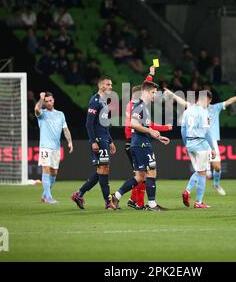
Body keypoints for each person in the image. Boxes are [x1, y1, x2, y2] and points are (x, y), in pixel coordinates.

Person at [165, 88, 236, 195]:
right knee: (202, 171)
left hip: (211, 140)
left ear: (210, 100)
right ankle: (191, 193)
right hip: (199, 141)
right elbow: (182, 102)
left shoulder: (215, 108)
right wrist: (172, 94)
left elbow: (229, 101)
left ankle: (216, 184)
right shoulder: (194, 108)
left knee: (217, 167)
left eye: (206, 99)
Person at [109, 81, 170, 211]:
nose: (155, 95)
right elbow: (133, 124)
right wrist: (151, 131)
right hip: (141, 145)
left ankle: (116, 196)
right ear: (146, 92)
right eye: (153, 92)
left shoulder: (143, 107)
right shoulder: (140, 106)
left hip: (138, 144)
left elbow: (145, 127)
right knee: (151, 172)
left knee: (140, 176)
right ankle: (152, 204)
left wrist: (158, 137)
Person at [125, 66, 172, 210]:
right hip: (134, 140)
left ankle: (135, 201)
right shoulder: (135, 105)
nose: (152, 95)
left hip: (136, 139)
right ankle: (131, 199)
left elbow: (146, 86)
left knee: (141, 174)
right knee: (142, 175)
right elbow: (145, 124)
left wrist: (151, 74)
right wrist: (163, 128)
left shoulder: (137, 104)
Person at [71, 77, 116, 209]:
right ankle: (108, 202)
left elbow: (104, 125)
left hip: (105, 139)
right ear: (101, 86)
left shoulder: (105, 102)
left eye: (111, 84)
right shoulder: (95, 100)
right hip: (99, 140)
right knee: (104, 169)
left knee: (102, 169)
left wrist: (111, 141)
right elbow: (88, 124)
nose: (110, 87)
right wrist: (93, 141)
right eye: (108, 84)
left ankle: (79, 194)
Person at [35, 92, 73, 203]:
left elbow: (65, 129)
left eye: (50, 100)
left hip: (56, 148)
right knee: (45, 168)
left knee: (54, 172)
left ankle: (44, 195)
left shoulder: (60, 114)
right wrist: (41, 99)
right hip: (45, 147)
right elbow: (36, 109)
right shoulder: (42, 114)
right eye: (46, 101)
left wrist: (69, 141)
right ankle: (48, 197)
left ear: (53, 100)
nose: (48, 103)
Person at [181, 91, 217, 209]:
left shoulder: (187, 111)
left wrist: (186, 145)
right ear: (205, 99)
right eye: (209, 102)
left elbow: (183, 130)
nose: (208, 104)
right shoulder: (203, 112)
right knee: (202, 172)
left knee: (199, 171)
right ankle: (195, 198)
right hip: (201, 144)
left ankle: (195, 199)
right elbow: (207, 132)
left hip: (190, 143)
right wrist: (212, 148)